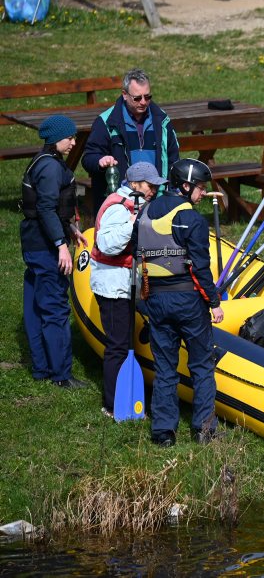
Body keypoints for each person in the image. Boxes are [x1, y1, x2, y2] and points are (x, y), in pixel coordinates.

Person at [136, 158, 224, 447]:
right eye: (199, 188)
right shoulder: (191, 219)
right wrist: (214, 303)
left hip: (155, 300)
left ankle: (163, 432)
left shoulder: (145, 211)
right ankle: (204, 429)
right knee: (201, 365)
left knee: (165, 367)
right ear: (185, 186)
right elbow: (199, 269)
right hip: (187, 301)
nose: (202, 194)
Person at [90, 161, 167, 418]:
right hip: (112, 286)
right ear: (134, 184)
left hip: (126, 284)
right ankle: (112, 405)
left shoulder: (138, 205)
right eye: (149, 185)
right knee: (118, 346)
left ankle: (123, 397)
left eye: (156, 186)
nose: (154, 190)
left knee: (124, 341)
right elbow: (106, 243)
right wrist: (132, 224)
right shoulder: (118, 206)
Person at [19, 115, 89, 389]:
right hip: (46, 246)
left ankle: (41, 368)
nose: (73, 142)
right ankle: (61, 375)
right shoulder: (49, 168)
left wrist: (71, 228)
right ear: (55, 138)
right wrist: (61, 245)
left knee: (36, 306)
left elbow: (48, 207)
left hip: (34, 242)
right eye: (69, 137)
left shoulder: (44, 162)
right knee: (56, 309)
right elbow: (47, 208)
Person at [82, 68, 180, 214]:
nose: (143, 102)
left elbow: (174, 158)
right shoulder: (106, 122)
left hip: (157, 200)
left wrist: (173, 191)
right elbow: (88, 158)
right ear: (124, 95)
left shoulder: (162, 120)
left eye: (147, 97)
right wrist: (100, 161)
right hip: (121, 203)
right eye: (137, 98)